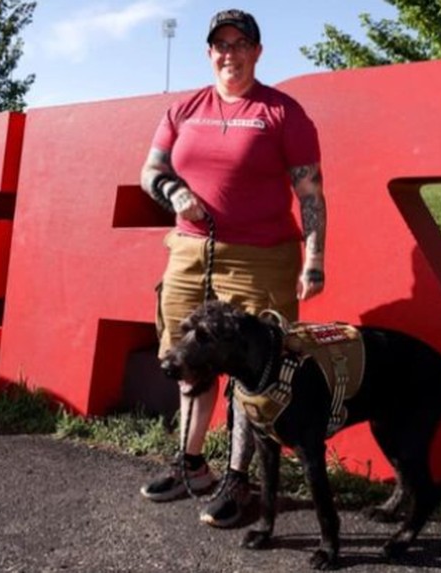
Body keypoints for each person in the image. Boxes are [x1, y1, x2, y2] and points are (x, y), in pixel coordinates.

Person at [138, 8, 327, 529]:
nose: (229, 53)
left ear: (257, 52)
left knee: (254, 372)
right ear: (209, 53)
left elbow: (309, 190)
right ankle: (190, 463)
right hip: (191, 251)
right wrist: (174, 189)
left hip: (261, 256)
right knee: (186, 360)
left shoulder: (283, 112)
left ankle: (237, 479)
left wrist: (314, 258)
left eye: (240, 43)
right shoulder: (184, 110)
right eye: (220, 44)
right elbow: (150, 170)